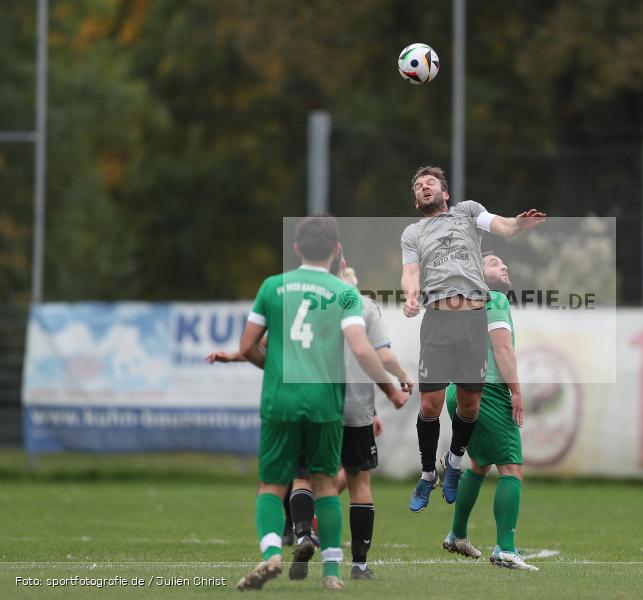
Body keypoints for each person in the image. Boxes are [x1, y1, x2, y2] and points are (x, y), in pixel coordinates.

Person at [209, 259, 413, 584]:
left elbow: (265, 346)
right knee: (357, 483)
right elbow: (378, 354)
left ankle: (304, 533)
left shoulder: (300, 298)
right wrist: (399, 380)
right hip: (355, 407)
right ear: (346, 272)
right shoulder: (363, 304)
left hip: (314, 402)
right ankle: (357, 566)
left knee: (303, 477)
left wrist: (234, 355)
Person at [400, 165, 545, 512]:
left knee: (469, 407)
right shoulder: (413, 232)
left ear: (445, 192)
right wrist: (410, 295)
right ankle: (426, 474)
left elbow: (503, 225)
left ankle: (453, 462)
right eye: (418, 186)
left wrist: (517, 225)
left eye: (429, 183)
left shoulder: (467, 211)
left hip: (471, 322)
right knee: (430, 406)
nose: (423, 187)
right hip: (437, 321)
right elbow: (410, 272)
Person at [441, 252, 537, 571]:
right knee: (511, 468)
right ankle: (505, 550)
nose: (503, 265)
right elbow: (502, 347)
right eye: (493, 262)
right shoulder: (492, 297)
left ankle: (457, 535)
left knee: (480, 463)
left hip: (458, 389)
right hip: (489, 389)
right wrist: (516, 391)